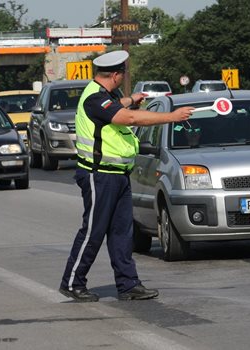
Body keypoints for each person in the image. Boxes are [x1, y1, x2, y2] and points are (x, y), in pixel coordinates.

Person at [59, 50, 194, 302]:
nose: (124, 78)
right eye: (123, 74)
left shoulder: (106, 96)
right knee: (93, 231)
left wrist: (132, 98)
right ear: (116, 75)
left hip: (118, 174)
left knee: (122, 232)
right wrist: (171, 117)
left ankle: (128, 284)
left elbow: (119, 107)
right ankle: (72, 281)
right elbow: (128, 118)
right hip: (99, 175)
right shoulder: (93, 99)